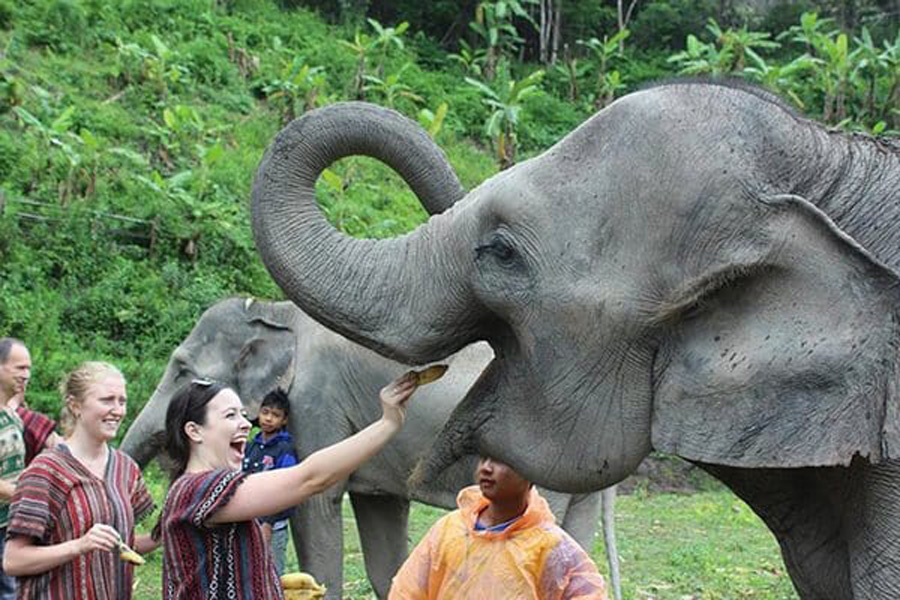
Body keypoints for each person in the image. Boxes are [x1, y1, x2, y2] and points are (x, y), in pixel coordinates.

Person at [156, 371, 417, 600]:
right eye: (230, 416)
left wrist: (267, 585)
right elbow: (311, 479)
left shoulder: (193, 490)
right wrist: (387, 424)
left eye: (244, 414)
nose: (246, 424)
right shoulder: (197, 490)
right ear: (194, 431)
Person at [3, 361, 157, 599]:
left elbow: (123, 546)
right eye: (107, 400)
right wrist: (79, 545)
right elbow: (13, 560)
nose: (118, 410)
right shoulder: (46, 470)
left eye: (122, 401)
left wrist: (164, 532)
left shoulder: (126, 469)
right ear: (76, 406)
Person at [389, 456, 609, 600]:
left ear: (532, 473)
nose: (486, 468)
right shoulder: (450, 530)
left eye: (501, 461)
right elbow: (406, 592)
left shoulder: (551, 547)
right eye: (484, 458)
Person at [242, 388, 298, 576]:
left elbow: (288, 489)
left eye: (275, 415)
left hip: (273, 527)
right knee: (247, 572)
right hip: (247, 522)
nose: (268, 418)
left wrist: (269, 523)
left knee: (271, 574)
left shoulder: (285, 449)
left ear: (284, 420)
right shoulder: (251, 447)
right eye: (265, 412)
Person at [0, 338, 29, 600]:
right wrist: (24, 494)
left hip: (10, 523)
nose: (26, 375)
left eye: (28, 368)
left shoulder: (11, 415)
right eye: (19, 368)